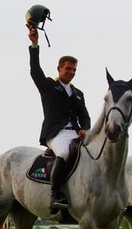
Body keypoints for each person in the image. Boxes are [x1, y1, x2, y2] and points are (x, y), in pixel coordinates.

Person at [27, 25, 90, 214]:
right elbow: (35, 70)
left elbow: (84, 115)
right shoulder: (48, 85)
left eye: (74, 70)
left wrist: (85, 128)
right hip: (56, 133)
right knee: (64, 153)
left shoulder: (78, 93)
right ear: (59, 68)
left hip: (76, 133)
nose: (71, 72)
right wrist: (35, 44)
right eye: (68, 69)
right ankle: (55, 196)